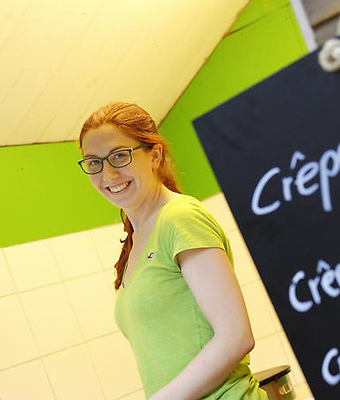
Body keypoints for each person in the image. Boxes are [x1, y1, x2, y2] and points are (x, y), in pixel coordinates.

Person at [78, 102, 267, 400]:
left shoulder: (180, 217)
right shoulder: (136, 241)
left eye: (119, 156)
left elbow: (236, 337)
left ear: (154, 155)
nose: (108, 174)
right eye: (94, 163)